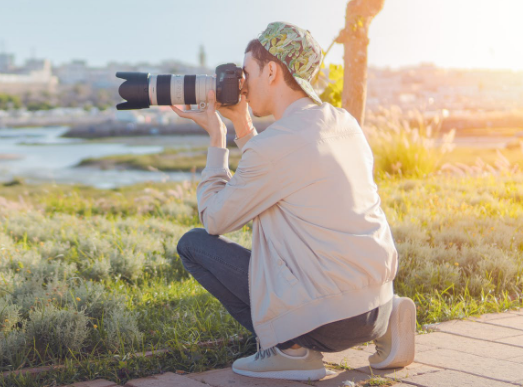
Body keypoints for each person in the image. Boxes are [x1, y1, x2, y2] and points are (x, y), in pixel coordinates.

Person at [170, 21, 416, 381]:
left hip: (327, 322)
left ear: (271, 71)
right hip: (373, 304)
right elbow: (277, 167)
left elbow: (215, 219)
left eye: (247, 72)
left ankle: (290, 350)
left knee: (193, 244)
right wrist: (242, 122)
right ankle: (390, 321)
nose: (242, 83)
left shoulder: (276, 147)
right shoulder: (344, 123)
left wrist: (217, 139)